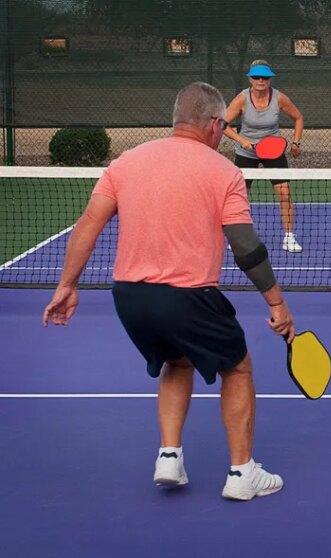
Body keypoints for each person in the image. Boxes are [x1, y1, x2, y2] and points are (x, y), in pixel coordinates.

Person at [42, 82, 295, 500]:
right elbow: (246, 247)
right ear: (216, 126)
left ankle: (169, 457)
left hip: (129, 297)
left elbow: (89, 221)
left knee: (177, 363)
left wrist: (67, 285)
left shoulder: (127, 161)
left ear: (176, 119)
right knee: (238, 367)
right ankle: (242, 473)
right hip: (188, 296)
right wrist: (277, 303)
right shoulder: (224, 172)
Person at [224, 60, 305, 253]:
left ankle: (289, 237)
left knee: (284, 193)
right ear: (250, 79)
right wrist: (241, 140)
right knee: (240, 196)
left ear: (270, 79)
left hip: (273, 152)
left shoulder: (279, 98)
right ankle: (239, 237)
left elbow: (298, 117)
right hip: (246, 152)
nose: (261, 80)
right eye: (256, 77)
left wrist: (296, 142)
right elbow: (223, 124)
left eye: (265, 77)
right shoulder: (242, 99)